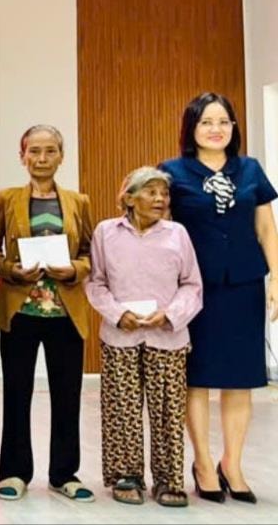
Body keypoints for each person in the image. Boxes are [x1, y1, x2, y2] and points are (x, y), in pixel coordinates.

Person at [158, 92, 278, 504]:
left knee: (241, 378)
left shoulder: (250, 169)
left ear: (233, 127)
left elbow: (266, 229)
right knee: (198, 377)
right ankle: (205, 464)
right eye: (206, 122)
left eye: (223, 121)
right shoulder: (172, 172)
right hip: (194, 288)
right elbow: (162, 230)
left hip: (244, 283)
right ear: (191, 128)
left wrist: (276, 278)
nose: (216, 129)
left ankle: (233, 464)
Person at [0, 124, 95, 502]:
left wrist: (74, 270)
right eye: (34, 151)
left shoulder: (78, 201)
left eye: (50, 151)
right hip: (20, 310)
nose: (42, 158)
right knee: (17, 393)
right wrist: (11, 270)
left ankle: (64, 473)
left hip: (66, 312)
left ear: (61, 156)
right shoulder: (8, 198)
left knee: (67, 395)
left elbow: (89, 253)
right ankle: (14, 472)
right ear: (22, 156)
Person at [86, 166, 202, 507]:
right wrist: (117, 314)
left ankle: (168, 479)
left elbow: (192, 285)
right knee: (121, 409)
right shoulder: (106, 232)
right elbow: (95, 282)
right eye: (151, 192)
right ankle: (127, 476)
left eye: (164, 193)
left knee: (168, 411)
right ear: (129, 197)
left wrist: (170, 314)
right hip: (120, 336)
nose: (160, 199)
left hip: (167, 337)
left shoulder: (177, 233)